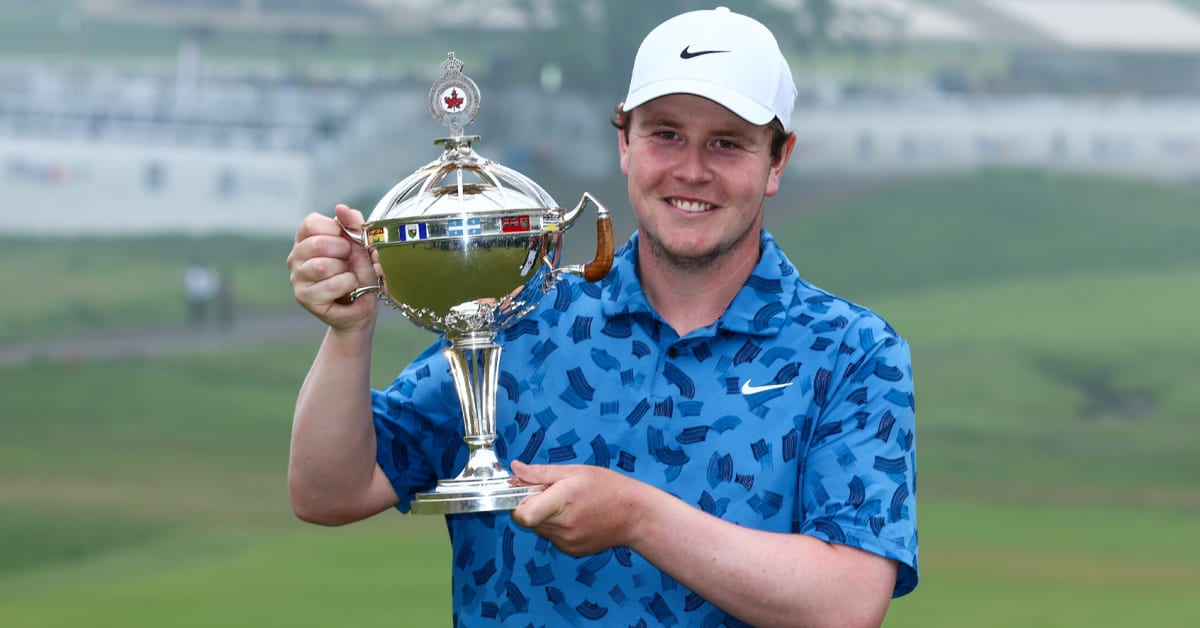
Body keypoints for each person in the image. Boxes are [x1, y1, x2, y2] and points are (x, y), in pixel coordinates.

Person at [286, 7, 917, 626]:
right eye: (665, 133)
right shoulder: (521, 310)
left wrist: (637, 517)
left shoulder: (851, 351)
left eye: (727, 144)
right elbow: (329, 492)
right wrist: (348, 332)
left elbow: (846, 602)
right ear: (624, 142)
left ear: (777, 160)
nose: (691, 170)